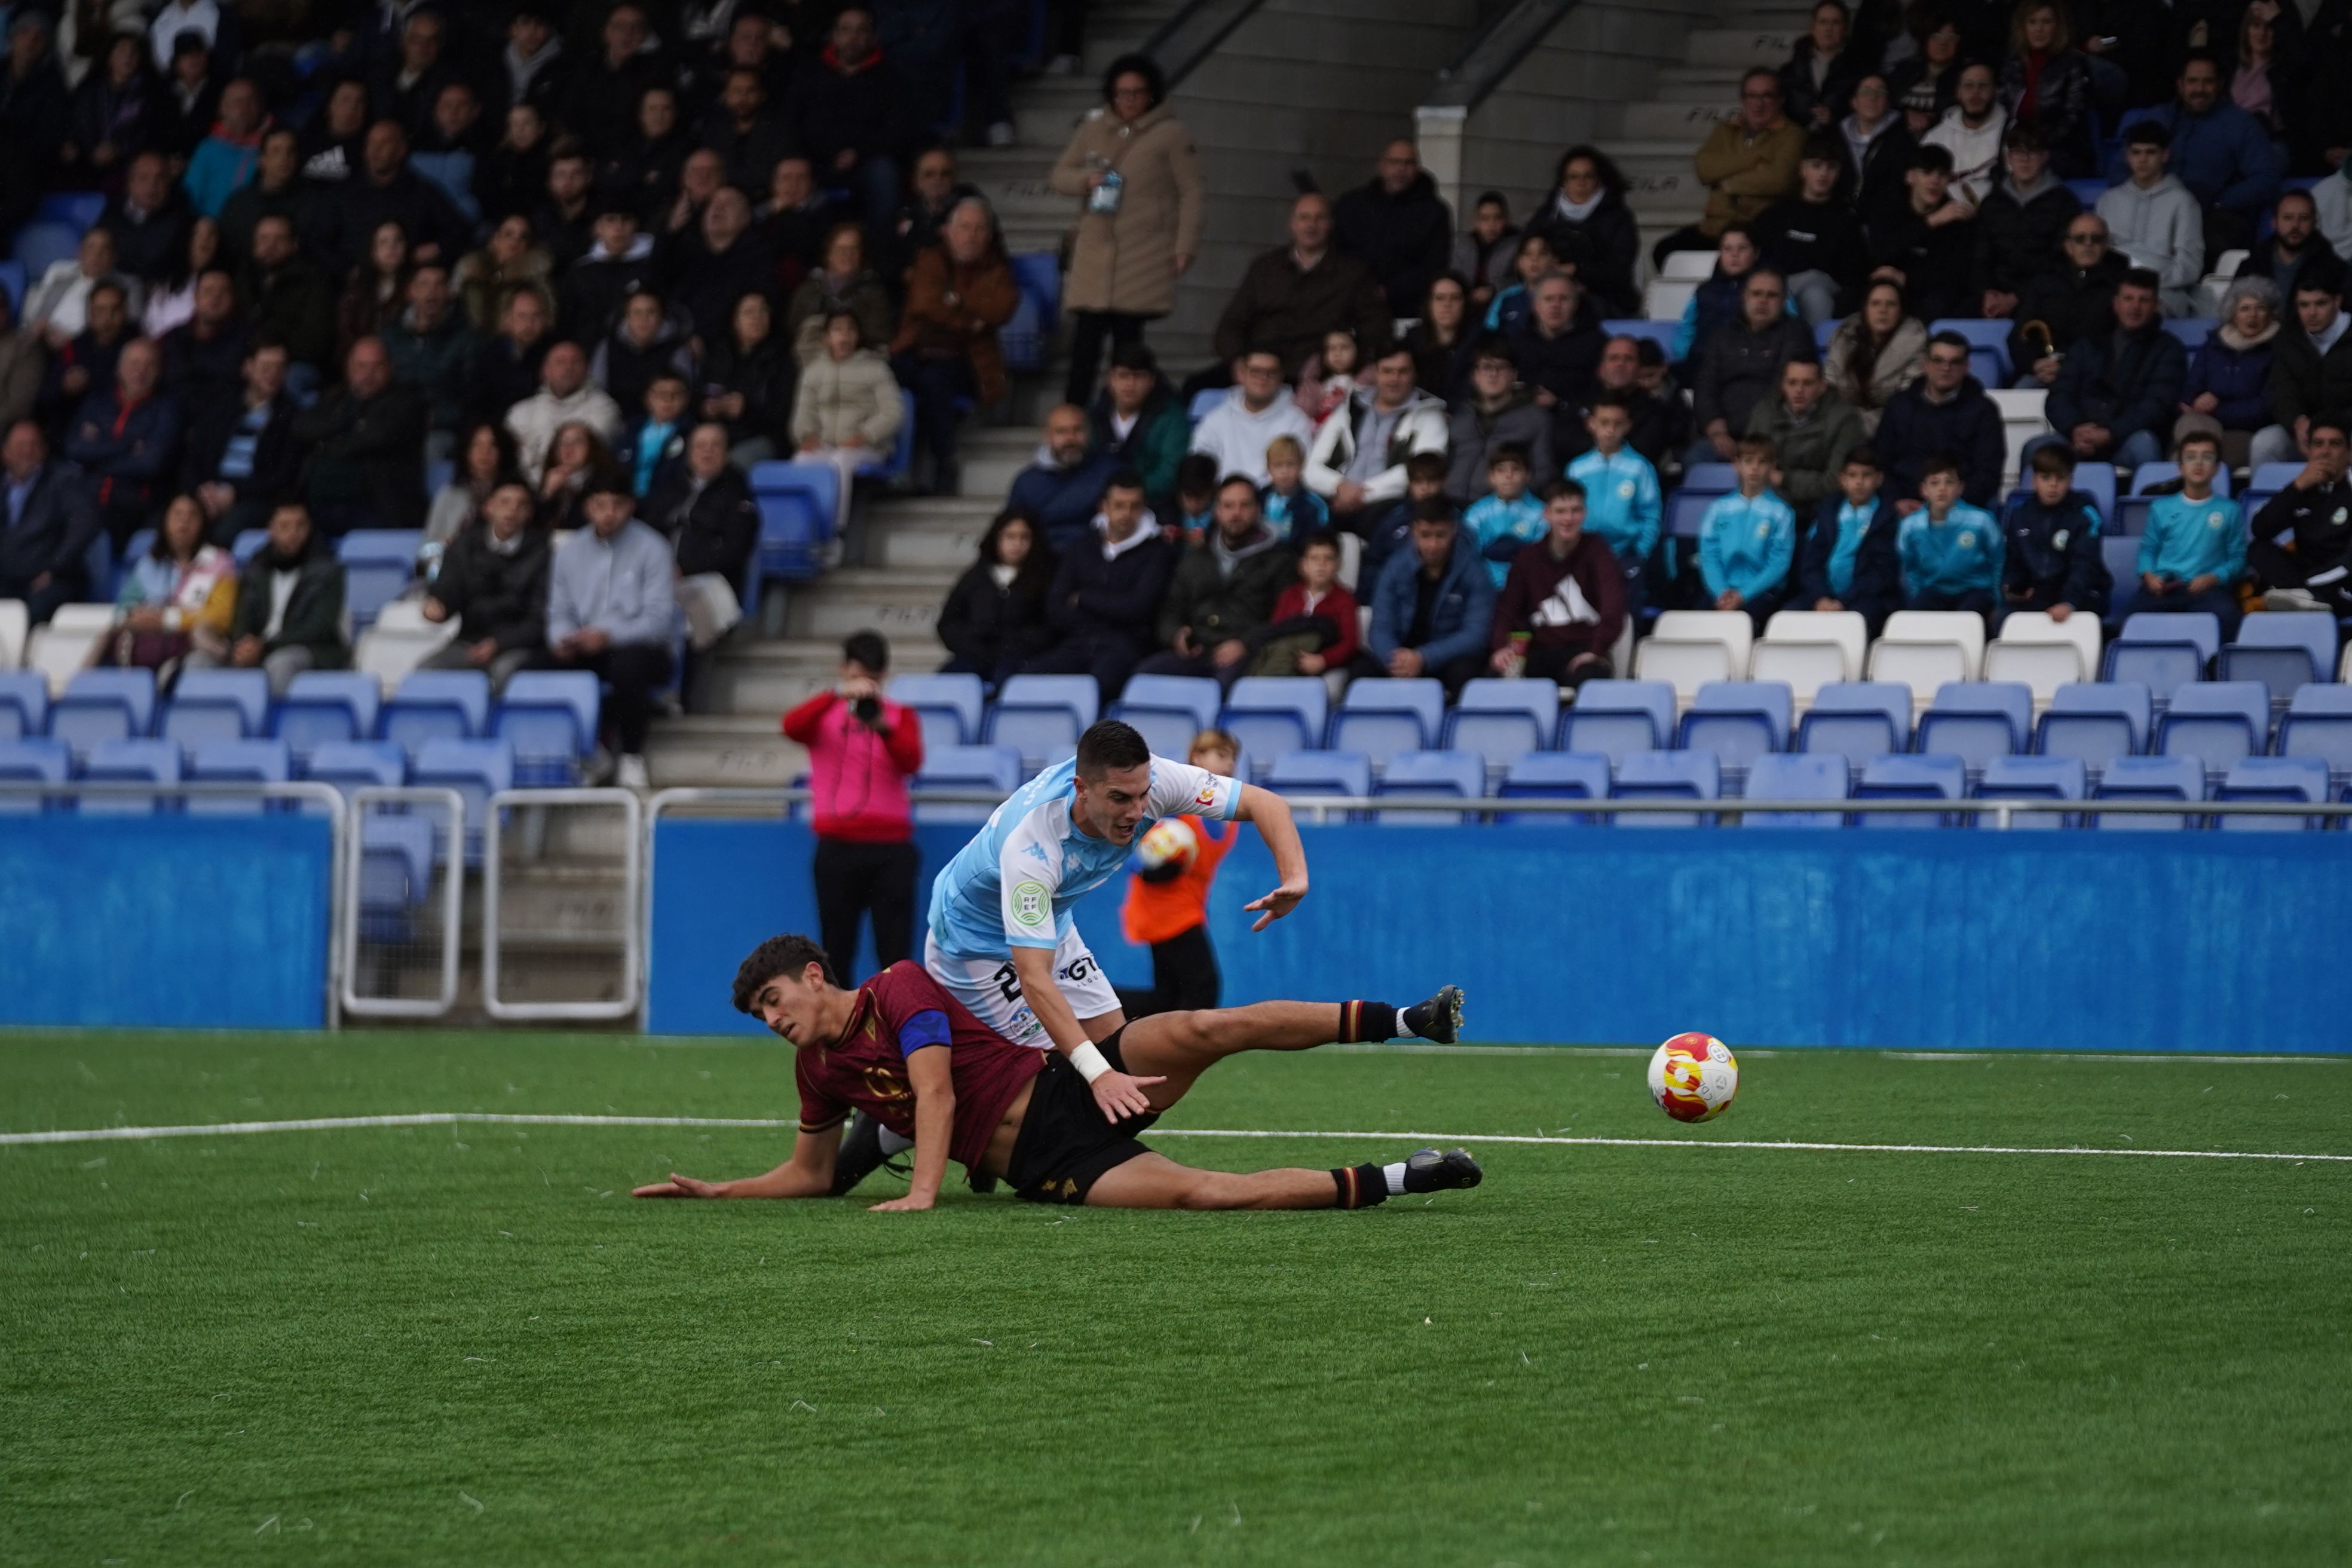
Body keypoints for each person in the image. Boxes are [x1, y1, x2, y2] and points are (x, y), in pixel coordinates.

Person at [636, 930, 1475, 1211]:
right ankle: (1407, 1177)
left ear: (814, 976)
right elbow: (812, 1174)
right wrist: (721, 1190)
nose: (773, 1019)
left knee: (1211, 1025)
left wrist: (924, 1194)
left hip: (1072, 1084)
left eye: (774, 1000)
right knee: (1207, 1194)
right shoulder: (817, 1070)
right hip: (1051, 1165)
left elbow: (935, 1091)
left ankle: (1408, 1020)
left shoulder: (898, 986)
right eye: (761, 1015)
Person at [920, 716, 1309, 1124]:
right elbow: (1034, 977)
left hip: (1050, 920)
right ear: (1081, 789)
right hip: (973, 946)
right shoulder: (1032, 847)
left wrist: (1295, 878)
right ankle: (893, 1132)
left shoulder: (1159, 780)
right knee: (1051, 1074)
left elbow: (1267, 804)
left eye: (1143, 795)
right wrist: (1099, 1075)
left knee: (1123, 1054)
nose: (1137, 813)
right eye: (1120, 799)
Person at [1048, 53, 1205, 408]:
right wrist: (1085, 180)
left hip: (1142, 253)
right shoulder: (1093, 128)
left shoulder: (1172, 134)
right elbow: (1059, 175)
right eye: (1122, 93)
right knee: (1085, 345)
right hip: (1095, 251)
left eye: (1137, 93)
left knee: (1128, 345)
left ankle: (1123, 417)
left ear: (1151, 94)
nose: (1129, 101)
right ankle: (1074, 417)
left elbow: (1192, 193)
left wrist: (1185, 246)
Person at [782, 630, 925, 989]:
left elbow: (911, 761)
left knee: (895, 954)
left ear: (884, 676)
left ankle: (896, 1019)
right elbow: (791, 727)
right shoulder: (824, 714)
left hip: (890, 847)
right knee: (835, 950)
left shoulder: (899, 716)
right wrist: (836, 694)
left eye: (873, 678)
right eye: (859, 676)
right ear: (845, 669)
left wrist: (883, 728)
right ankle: (842, 1022)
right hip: (837, 847)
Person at [539, 474, 677, 789]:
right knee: (534, 666)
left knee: (628, 665)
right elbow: (558, 611)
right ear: (587, 508)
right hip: (585, 645)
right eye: (600, 505)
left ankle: (631, 755)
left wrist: (608, 636)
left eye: (617, 505)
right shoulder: (568, 552)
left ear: (630, 507)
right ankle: (585, 754)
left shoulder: (654, 547)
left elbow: (658, 621)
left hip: (641, 647)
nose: (609, 514)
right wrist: (562, 639)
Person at [890, 196, 1017, 494]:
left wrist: (952, 302)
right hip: (916, 351)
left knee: (935, 382)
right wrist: (970, 318)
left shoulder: (998, 269)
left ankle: (944, 464)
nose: (971, 236)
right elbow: (925, 304)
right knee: (887, 375)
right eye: (965, 228)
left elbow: (1001, 309)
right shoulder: (930, 259)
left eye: (979, 229)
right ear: (948, 231)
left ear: (989, 235)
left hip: (968, 361)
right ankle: (892, 468)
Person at [1205, 192, 1390, 387]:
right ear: (1292, 224)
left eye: (1320, 218)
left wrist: (1351, 365)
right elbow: (1231, 324)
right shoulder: (1265, 268)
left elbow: (1376, 326)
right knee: (1195, 387)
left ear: (1331, 224)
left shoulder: (1353, 273)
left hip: (1319, 373)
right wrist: (1238, 359)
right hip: (1262, 366)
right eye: (1304, 218)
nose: (1311, 225)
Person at [2108, 53, 2284, 256]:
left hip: (2211, 217)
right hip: (2153, 211)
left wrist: (2221, 201)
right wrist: (2144, 196)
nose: (2200, 89)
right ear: (2180, 85)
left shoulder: (2240, 123)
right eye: (2193, 81)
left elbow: (2267, 177)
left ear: (2220, 85)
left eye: (2208, 82)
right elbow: (2118, 170)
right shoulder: (2158, 117)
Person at [1025, 468, 1175, 703]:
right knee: (1027, 680)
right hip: (1076, 642)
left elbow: (1138, 608)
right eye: (1119, 506)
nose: (1126, 514)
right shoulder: (1081, 547)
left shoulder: (1156, 552)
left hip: (1125, 646)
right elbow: (1056, 605)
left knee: (1097, 688)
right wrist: (1106, 612)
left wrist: (1083, 598)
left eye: (1134, 506)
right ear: (1103, 507)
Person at [1118, 730, 1240, 1018]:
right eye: (1222, 755)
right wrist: (1156, 866)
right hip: (1167, 912)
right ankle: (1096, 1005)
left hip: (1183, 909)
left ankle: (1099, 1004)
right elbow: (1136, 857)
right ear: (1197, 758)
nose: (1230, 764)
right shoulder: (1176, 804)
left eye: (1233, 758)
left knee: (1168, 998)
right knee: (1203, 989)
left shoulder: (1230, 811)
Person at [1138, 476, 1294, 688]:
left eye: (1244, 505)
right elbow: (1171, 608)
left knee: (1223, 686)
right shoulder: (1196, 557)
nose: (1236, 513)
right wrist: (1176, 634)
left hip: (1247, 655)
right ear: (1216, 510)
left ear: (1258, 510)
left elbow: (1284, 619)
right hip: (1197, 651)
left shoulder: (1280, 561)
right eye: (1228, 506)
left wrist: (1246, 644)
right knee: (1144, 677)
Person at [1653, 68, 1804, 266]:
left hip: (1757, 230)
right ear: (1743, 100)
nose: (1758, 104)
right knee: (1665, 251)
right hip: (1716, 227)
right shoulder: (1725, 131)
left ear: (1780, 100)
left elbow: (1779, 179)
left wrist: (1727, 183)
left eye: (1767, 96)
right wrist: (1754, 160)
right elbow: (1704, 168)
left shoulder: (1793, 135)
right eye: (1752, 96)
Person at [1487, 478, 1624, 692]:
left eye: (1575, 511)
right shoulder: (1528, 558)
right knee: (1493, 678)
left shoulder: (1598, 551)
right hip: (1540, 650)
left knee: (1590, 681)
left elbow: (1614, 606)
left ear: (1585, 513)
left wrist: (1596, 651)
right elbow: (1507, 609)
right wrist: (1500, 648)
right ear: (1547, 514)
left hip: (1585, 649)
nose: (1568, 519)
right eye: (1560, 511)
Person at [2045, 270, 2185, 474]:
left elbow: (2156, 407)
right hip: (2078, 436)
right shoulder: (2087, 344)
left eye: (2144, 300)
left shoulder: (2169, 349)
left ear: (2156, 306)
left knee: (2145, 445)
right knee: (2037, 448)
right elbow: (2059, 395)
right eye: (2128, 298)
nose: (2135, 307)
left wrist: (2110, 433)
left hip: (2127, 439)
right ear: (2116, 303)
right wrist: (2075, 428)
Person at [417, 479, 549, 693]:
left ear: (529, 513)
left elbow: (539, 619)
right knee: (424, 674)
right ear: (489, 507)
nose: (512, 511)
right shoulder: (464, 546)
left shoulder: (542, 554)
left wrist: (499, 644)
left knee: (502, 676)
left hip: (518, 646)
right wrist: (439, 605)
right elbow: (449, 588)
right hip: (469, 641)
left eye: (521, 505)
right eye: (504, 502)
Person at [289, 335, 426, 535]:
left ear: (390, 368)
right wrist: (346, 424)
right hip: (319, 504)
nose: (369, 374)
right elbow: (302, 427)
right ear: (349, 368)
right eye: (362, 366)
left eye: (377, 366)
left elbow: (376, 437)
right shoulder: (337, 398)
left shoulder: (406, 401)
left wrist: (327, 443)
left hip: (376, 507)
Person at [1303, 342, 1448, 528]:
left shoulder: (1430, 415)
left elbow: (1424, 471)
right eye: (1387, 371)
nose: (1394, 379)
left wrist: (1361, 495)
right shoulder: (1349, 408)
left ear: (1414, 374)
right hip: (1337, 496)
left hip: (1389, 504)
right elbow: (1312, 466)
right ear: (1375, 373)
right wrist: (1339, 487)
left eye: (1403, 372)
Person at [786, 6, 906, 231]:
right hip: (816, 159)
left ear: (874, 37)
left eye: (861, 31)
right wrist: (824, 154)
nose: (853, 37)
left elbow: (897, 130)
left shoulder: (890, 77)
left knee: (885, 173)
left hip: (867, 161)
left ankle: (881, 242)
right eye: (846, 30)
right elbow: (793, 122)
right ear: (834, 35)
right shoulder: (810, 73)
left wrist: (858, 152)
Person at [2119, 431, 2243, 635]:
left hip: (2208, 590)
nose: (2199, 463)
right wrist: (2149, 576)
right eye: (2191, 457)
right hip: (2165, 588)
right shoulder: (2161, 508)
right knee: (2127, 621)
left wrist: (2213, 578)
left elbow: (2238, 559)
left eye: (2207, 457)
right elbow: (2148, 550)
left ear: (2217, 468)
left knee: (2228, 618)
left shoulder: (2230, 510)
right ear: (2180, 467)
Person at [789, 309, 902, 532]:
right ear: (826, 338)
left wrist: (864, 436)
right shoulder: (813, 371)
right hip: (826, 446)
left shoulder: (876, 368)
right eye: (838, 330)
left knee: (840, 462)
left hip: (868, 447)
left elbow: (893, 413)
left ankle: (834, 531)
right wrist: (806, 436)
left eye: (851, 330)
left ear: (858, 336)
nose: (845, 336)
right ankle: (800, 531)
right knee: (801, 461)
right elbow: (803, 412)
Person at [1690, 268, 1814, 468]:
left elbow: (1789, 388)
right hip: (1724, 437)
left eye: (1771, 295)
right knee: (1697, 458)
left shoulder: (1796, 334)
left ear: (1783, 301)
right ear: (1745, 297)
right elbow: (1705, 387)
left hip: (1776, 436)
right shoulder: (1722, 337)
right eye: (1757, 294)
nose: (1763, 301)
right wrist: (1716, 430)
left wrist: (1756, 441)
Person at [1367, 506, 1496, 697]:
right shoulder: (1394, 567)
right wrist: (1396, 660)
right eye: (1425, 535)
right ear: (1414, 531)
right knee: (1362, 672)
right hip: (1401, 655)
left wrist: (1424, 657)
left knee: (1466, 674)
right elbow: (1380, 626)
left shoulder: (1475, 571)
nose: (1433, 545)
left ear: (1453, 530)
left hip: (1448, 658)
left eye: (1440, 536)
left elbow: (1476, 634)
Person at [180, 334, 296, 546]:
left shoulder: (290, 416)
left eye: (280, 368)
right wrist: (201, 489)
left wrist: (235, 493)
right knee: (166, 526)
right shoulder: (221, 408)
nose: (273, 374)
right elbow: (193, 458)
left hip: (253, 500)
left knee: (222, 534)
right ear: (248, 368)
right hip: (209, 494)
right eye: (266, 367)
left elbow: (282, 477)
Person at [66, 333, 179, 550]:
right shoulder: (98, 402)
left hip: (132, 509)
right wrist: (127, 445)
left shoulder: (166, 409)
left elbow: (150, 463)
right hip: (85, 500)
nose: (140, 371)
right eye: (134, 363)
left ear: (159, 372)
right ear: (119, 369)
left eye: (149, 365)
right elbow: (74, 448)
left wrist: (97, 453)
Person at [227, 501, 348, 694]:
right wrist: (245, 644)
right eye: (284, 526)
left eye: (300, 526)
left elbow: (318, 627)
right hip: (260, 647)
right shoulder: (257, 569)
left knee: (281, 662)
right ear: (271, 530)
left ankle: (274, 715)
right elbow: (242, 616)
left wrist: (265, 646)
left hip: (311, 649)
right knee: (205, 661)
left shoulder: (327, 571)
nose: (293, 533)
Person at [647, 422, 760, 627]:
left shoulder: (737, 491)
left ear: (727, 453)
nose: (707, 451)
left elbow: (734, 549)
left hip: (711, 580)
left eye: (715, 445)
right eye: (700, 446)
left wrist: (684, 568)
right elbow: (649, 532)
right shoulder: (671, 486)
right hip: (660, 576)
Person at [1875, 330, 2005, 507]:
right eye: (1938, 360)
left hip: (1961, 509)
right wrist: (1896, 501)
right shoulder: (1899, 405)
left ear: (1966, 367)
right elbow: (1881, 462)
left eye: (1955, 362)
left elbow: (1988, 473)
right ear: (1925, 364)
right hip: (1903, 507)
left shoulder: (1984, 410)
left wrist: (1945, 506)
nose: (1946, 368)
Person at [2175, 277, 2292, 471]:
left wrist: (2215, 409)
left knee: (2200, 457)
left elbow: (2264, 409)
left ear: (2272, 314)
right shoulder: (2213, 346)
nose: (2253, 315)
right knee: (2189, 431)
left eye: (2260, 308)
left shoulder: (2279, 351)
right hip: (2202, 425)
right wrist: (2198, 400)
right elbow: (2189, 392)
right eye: (2245, 309)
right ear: (2232, 314)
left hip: (2246, 433)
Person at [1333, 138, 1453, 321]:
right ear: (1381, 166)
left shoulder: (1434, 212)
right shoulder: (1352, 205)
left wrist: (1389, 291)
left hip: (1407, 311)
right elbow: (1336, 252)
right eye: (1395, 162)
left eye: (1408, 163)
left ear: (1417, 169)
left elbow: (1434, 266)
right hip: (1350, 305)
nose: (1401, 169)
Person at [1753, 135, 1868, 325]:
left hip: (1825, 293)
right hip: (1777, 289)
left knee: (1816, 293)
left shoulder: (1846, 221)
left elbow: (1855, 277)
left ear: (1839, 173)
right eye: (1816, 166)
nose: (1823, 174)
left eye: (1831, 167)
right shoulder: (1777, 214)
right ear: (1803, 169)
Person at [938, 507, 1057, 688]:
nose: (1017, 544)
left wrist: (1018, 642)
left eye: (1024, 537)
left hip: (1022, 659)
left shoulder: (1045, 578)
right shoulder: (976, 577)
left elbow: (1051, 625)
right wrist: (973, 641)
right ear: (997, 538)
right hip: (974, 656)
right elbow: (949, 623)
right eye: (1010, 537)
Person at [1567, 396, 1664, 615]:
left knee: (1624, 617)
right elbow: (1567, 513)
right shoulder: (1577, 468)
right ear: (1591, 424)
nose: (1610, 430)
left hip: (1627, 554)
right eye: (1604, 423)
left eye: (1617, 424)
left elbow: (1651, 515)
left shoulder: (1640, 467)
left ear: (1628, 426)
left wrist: (1640, 553)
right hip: (1584, 554)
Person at [2097, 122, 2205, 318]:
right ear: (2128, 156)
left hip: (2165, 292)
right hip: (2115, 291)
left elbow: (2189, 267)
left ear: (2165, 155)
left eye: (2151, 152)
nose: (2143, 160)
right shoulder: (2108, 201)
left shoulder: (2183, 201)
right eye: (2136, 153)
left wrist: (2145, 280)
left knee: (2141, 310)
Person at [1971, 125, 2080, 320]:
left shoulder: (2065, 203)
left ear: (2045, 157)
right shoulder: (1992, 203)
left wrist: (2017, 297)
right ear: (2008, 158)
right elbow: (1980, 256)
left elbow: (2061, 262)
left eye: (2033, 152)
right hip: (1994, 295)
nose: (2025, 159)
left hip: (2043, 296)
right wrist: (1987, 292)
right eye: (2018, 152)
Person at [2010, 213, 2129, 386]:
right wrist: (2035, 364)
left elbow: (2125, 339)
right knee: (2022, 393)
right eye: (2080, 239)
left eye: (2096, 239)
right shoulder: (2045, 279)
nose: (2088, 244)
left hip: (2100, 374)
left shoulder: (2123, 283)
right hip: (2047, 371)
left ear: (2105, 245)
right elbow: (2019, 335)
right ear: (2068, 246)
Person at [2248, 416, 2352, 614]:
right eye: (2318, 444)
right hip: (2302, 579)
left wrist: (2306, 585)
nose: (2325, 451)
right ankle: (2302, 597)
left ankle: (2301, 597)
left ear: (2349, 453)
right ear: (2309, 451)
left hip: (2342, 581)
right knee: (2258, 548)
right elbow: (2260, 529)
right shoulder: (2302, 489)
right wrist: (2297, 486)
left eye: (2335, 444)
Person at [0, 420, 100, 624]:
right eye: (20, 445)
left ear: (44, 450)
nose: (28, 451)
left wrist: (54, 568)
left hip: (50, 579)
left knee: (35, 609)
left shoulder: (63, 481)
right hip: (6, 579)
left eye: (34, 445)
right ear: (5, 452)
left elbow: (85, 524)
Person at [379, 263, 479, 464]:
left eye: (439, 285)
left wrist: (435, 418)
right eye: (424, 284)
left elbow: (473, 400)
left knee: (432, 449)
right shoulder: (390, 336)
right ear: (411, 291)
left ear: (449, 292)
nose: (431, 292)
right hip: (394, 421)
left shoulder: (466, 339)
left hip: (440, 429)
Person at [1999, 445, 2111, 624]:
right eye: (2046, 478)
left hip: (2083, 595)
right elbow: (2014, 561)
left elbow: (2086, 565)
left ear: (2070, 480)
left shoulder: (2085, 514)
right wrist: (2013, 588)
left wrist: (2069, 602)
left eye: (2060, 478)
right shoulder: (2020, 515)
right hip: (2037, 595)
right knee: (2001, 619)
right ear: (2035, 480)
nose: (2053, 485)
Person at [1696, 435, 1797, 627]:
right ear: (1737, 465)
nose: (1755, 468)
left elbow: (1779, 563)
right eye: (1748, 461)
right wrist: (1722, 592)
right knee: (1697, 625)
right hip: (1720, 591)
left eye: (1762, 462)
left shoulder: (1782, 512)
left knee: (1744, 625)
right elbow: (1709, 556)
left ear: (1773, 466)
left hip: (1762, 592)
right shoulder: (1718, 509)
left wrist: (1743, 595)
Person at [1798, 445, 1901, 630]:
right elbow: (1811, 564)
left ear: (1879, 479)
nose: (1859, 482)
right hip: (1823, 597)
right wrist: (1821, 597)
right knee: (1788, 617)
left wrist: (1843, 602)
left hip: (1866, 598)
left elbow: (1882, 574)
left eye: (1866, 475)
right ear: (1842, 480)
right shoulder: (1827, 513)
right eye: (1853, 475)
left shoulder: (1887, 518)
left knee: (1855, 624)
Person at [1867, 144, 1975, 322]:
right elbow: (1881, 252)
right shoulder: (1887, 208)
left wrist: (1906, 278)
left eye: (1942, 175)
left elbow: (1952, 276)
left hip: (1927, 295)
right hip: (1885, 286)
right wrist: (1930, 222)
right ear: (1910, 177)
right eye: (1927, 173)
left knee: (1940, 302)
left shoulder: (1956, 219)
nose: (1935, 181)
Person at [1747, 354, 1866, 517]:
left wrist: (1785, 480)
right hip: (1771, 508)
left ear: (1822, 386)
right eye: (1792, 383)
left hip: (1826, 511)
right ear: (1783, 385)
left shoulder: (1845, 419)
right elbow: (1750, 470)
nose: (1799, 390)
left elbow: (1837, 481)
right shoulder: (1764, 414)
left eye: (1808, 383)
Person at [1189, 347, 1315, 489]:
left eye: (1271, 373)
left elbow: (1299, 469)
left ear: (1281, 376)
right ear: (1242, 374)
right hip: (1223, 497)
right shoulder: (1216, 419)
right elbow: (1200, 465)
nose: (1263, 378)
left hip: (1273, 497)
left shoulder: (1296, 421)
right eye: (1256, 371)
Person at [1442, 338, 1548, 506]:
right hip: (1449, 507)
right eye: (1486, 367)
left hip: (1504, 509)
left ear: (1514, 374)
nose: (1493, 374)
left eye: (1501, 367)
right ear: (1475, 376)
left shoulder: (1536, 418)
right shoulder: (1459, 415)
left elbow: (1544, 473)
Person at [1897, 454, 2003, 617]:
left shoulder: (1982, 521)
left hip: (1975, 590)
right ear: (1924, 490)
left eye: (1949, 482)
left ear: (1960, 488)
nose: (1942, 489)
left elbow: (1998, 562)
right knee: (1917, 616)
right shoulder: (1910, 526)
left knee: (1966, 618)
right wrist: (1917, 595)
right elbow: (1910, 568)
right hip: (1933, 591)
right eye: (1935, 483)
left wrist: (1997, 601)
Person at [1998, 2, 2096, 177]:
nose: (2039, 29)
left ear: (2058, 26)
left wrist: (2036, 144)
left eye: (2047, 22)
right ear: (2023, 27)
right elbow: (2002, 110)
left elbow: (2073, 118)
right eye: (2033, 22)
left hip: (2060, 151)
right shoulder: (2012, 64)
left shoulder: (2074, 64)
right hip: (2018, 146)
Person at [506, 339, 622, 484]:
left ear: (587, 369)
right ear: (545, 371)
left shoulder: (604, 408)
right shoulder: (520, 412)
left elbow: (588, 457)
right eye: (560, 362)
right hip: (526, 486)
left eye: (575, 362)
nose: (568, 367)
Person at [1086, 342, 1189, 504]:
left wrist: (1127, 495)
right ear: (1111, 379)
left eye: (1139, 376)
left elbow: (1170, 474)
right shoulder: (1092, 415)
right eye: (1123, 376)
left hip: (1153, 503)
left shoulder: (1171, 417)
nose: (1130, 384)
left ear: (1152, 381)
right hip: (1098, 502)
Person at [700, 292, 794, 467]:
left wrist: (746, 408)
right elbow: (698, 394)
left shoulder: (782, 358)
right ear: (735, 320)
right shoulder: (719, 353)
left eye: (763, 311)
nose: (757, 318)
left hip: (763, 436)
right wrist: (705, 407)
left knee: (728, 465)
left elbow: (783, 412)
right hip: (719, 433)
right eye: (749, 312)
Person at [1008, 403, 1117, 553]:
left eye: (1077, 430)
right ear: (1047, 437)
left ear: (1089, 433)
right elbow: (1013, 529)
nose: (1071, 439)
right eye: (1062, 432)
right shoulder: (1026, 483)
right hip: (1042, 557)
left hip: (1095, 556)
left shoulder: (1109, 473)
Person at [1825, 278, 1925, 435]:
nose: (1883, 310)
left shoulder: (1917, 344)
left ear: (1901, 312)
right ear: (1865, 310)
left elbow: (1905, 404)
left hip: (1892, 430)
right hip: (1842, 426)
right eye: (1875, 304)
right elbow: (1829, 388)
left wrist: (1853, 423)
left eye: (1891, 304)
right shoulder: (1843, 338)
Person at [237, 215, 334, 374]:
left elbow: (316, 341)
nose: (270, 246)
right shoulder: (244, 278)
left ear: (294, 244)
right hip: (248, 359)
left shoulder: (313, 280)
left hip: (292, 362)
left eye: (279, 239)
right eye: (264, 239)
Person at [784, 223, 892, 367]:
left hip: (859, 366)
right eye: (841, 249)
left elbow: (879, 336)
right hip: (812, 364)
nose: (847, 255)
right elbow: (794, 331)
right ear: (828, 254)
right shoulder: (807, 291)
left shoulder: (874, 293)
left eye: (854, 249)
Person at [1257, 532, 1359, 679]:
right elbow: (1277, 631)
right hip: (1286, 660)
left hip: (1326, 667)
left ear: (1338, 565)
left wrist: (1324, 660)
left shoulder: (1345, 599)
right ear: (1303, 565)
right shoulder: (1289, 596)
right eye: (1314, 558)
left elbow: (1349, 642)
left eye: (1328, 558)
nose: (1321, 565)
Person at [2271, 278, 2352, 463]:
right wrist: (2297, 421)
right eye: (2304, 305)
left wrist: (2332, 426)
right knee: (2265, 444)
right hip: (2305, 428)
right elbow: (2282, 391)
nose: (2312, 313)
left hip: (2348, 426)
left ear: (2337, 301)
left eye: (2321, 304)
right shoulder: (2287, 339)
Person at [1921, 60, 2008, 207]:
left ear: (1995, 91)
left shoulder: (2011, 133)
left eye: (1983, 86)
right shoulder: (1936, 136)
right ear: (1958, 93)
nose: (1975, 92)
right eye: (1969, 86)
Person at [2237, 189, 2346, 304]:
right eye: (2288, 218)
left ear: (2314, 223)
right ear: (2274, 223)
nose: (2295, 225)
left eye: (2304, 218)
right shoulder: (2251, 267)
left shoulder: (2334, 270)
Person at [1361, 453, 1449, 590]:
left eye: (1431, 481)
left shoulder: (1457, 519)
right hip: (1396, 592)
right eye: (1418, 481)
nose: (1425, 488)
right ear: (1410, 482)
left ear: (1443, 482)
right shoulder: (1393, 518)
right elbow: (1373, 563)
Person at [1462, 445, 1545, 588]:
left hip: (1528, 586)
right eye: (1501, 470)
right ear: (1491, 477)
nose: (1508, 476)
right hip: (1485, 586)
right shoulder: (1477, 512)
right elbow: (1468, 554)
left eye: (1516, 469)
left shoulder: (1541, 512)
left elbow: (1543, 556)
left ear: (1528, 475)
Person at [1841, 74, 1915, 228]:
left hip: (1881, 224)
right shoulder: (1837, 137)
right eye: (1866, 92)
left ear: (1888, 102)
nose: (1873, 98)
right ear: (1854, 101)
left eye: (1880, 93)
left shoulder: (1903, 142)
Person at [1405, 271, 1473, 400]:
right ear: (1429, 304)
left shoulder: (1477, 342)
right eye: (1440, 298)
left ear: (1465, 303)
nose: (1447, 304)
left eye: (1455, 298)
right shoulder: (1411, 342)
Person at [1453, 192, 1522, 316]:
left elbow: (1521, 281)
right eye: (1485, 218)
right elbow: (1455, 276)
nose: (1491, 225)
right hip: (1466, 306)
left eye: (1498, 218)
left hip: (1502, 306)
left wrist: (1494, 290)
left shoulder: (1516, 246)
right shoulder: (1463, 245)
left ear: (1507, 219)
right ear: (1476, 221)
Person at [1259, 435, 1327, 543]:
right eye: (1278, 465)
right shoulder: (1259, 498)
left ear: (1301, 466)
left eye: (1291, 464)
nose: (1285, 471)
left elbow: (1319, 543)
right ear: (1268, 468)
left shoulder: (1315, 505)